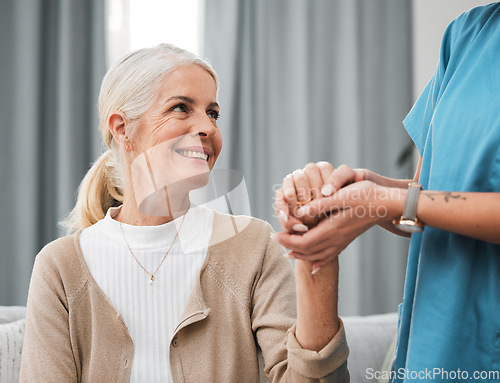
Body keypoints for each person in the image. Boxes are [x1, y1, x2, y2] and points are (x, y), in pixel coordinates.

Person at [19, 44, 349, 382]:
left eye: (213, 112)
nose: (207, 127)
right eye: (181, 108)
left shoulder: (253, 246)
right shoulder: (60, 267)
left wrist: (317, 255)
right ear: (122, 129)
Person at [273, 3, 500, 382]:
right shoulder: (467, 35)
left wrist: (386, 201)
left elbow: (415, 203)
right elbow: (425, 198)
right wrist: (369, 190)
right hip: (435, 342)